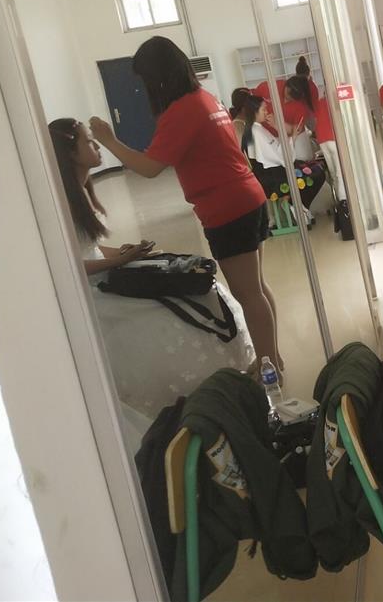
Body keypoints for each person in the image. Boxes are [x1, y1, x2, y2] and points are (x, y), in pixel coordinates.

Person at [89, 36, 282, 368]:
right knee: (257, 288)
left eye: (145, 80)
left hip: (227, 207)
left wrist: (109, 140)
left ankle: (269, 366)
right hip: (247, 196)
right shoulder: (205, 98)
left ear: (157, 77)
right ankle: (272, 357)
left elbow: (149, 168)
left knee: (248, 293)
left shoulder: (182, 110)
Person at [48, 118, 255, 417]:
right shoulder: (63, 203)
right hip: (93, 289)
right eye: (89, 141)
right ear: (70, 153)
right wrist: (119, 260)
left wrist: (125, 252)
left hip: (107, 271)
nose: (96, 146)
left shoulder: (81, 192)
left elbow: (90, 248)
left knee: (199, 287)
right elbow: (70, 263)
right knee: (166, 315)